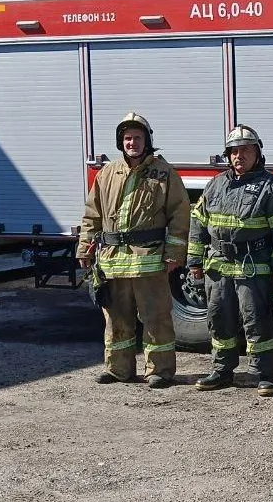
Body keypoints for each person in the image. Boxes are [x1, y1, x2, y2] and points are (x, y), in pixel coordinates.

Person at [77, 112, 191, 389]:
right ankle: (118, 369)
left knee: (156, 319)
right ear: (121, 142)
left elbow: (180, 213)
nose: (132, 143)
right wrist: (84, 248)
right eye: (127, 138)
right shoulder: (107, 173)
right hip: (113, 262)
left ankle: (160, 371)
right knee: (116, 319)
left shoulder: (164, 173)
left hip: (149, 260)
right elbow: (93, 213)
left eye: (137, 138)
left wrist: (175, 252)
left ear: (147, 141)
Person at [188, 125, 273, 394]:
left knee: (257, 319)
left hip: (253, 265)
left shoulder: (272, 186)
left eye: (245, 150)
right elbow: (199, 223)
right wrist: (194, 260)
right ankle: (222, 370)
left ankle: (264, 374)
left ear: (257, 153)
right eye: (234, 152)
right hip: (217, 265)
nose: (239, 156)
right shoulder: (216, 185)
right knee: (218, 318)